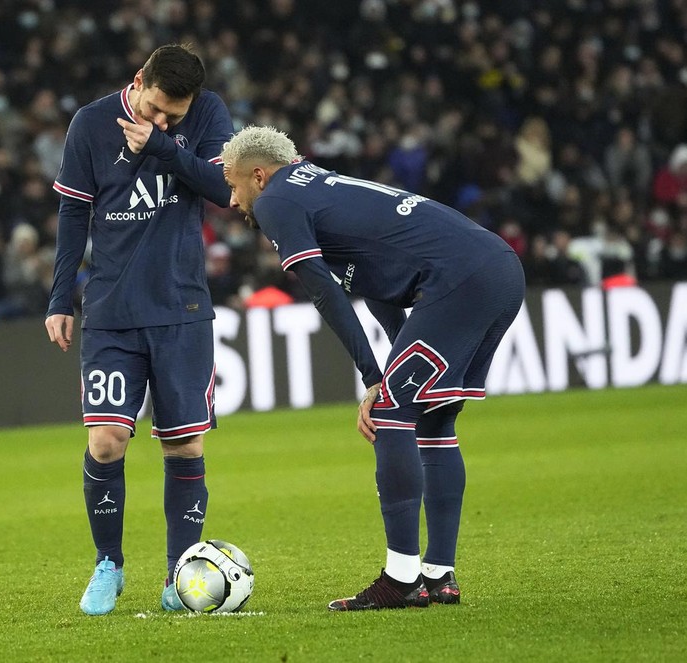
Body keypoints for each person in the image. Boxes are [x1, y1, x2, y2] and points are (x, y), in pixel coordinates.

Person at [220, 126, 525, 611]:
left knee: (389, 414)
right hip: (498, 268)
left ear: (259, 175)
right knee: (433, 419)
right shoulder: (319, 184)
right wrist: (387, 370)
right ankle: (437, 575)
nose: (232, 200)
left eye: (234, 186)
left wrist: (372, 379)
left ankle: (401, 580)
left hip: (458, 279)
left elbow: (324, 290)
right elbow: (382, 283)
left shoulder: (277, 201)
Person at [44, 44, 233, 615]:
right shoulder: (91, 123)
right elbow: (74, 214)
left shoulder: (207, 115)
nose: (163, 121)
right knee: (105, 441)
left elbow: (223, 189)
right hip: (111, 313)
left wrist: (163, 147)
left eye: (174, 115)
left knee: (183, 443)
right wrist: (60, 297)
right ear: (139, 82)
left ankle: (179, 575)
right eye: (155, 109)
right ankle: (109, 564)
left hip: (182, 309)